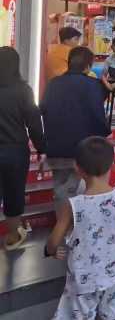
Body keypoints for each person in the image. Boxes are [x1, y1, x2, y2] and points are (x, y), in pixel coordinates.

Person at [46, 136, 115, 320]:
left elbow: (54, 240)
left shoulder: (72, 205)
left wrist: (51, 251)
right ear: (113, 164)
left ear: (77, 168)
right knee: (110, 314)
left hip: (84, 277)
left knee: (79, 315)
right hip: (113, 273)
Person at [41, 46, 111, 213]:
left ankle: (61, 222)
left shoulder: (53, 84)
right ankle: (73, 224)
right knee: (80, 189)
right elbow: (97, 115)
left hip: (56, 145)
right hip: (82, 147)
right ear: (87, 66)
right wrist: (105, 136)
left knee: (61, 188)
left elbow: (44, 110)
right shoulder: (92, 85)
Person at [0, 47, 45, 250]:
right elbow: (34, 123)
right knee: (14, 192)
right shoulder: (23, 90)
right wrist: (42, 148)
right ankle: (12, 237)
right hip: (15, 151)